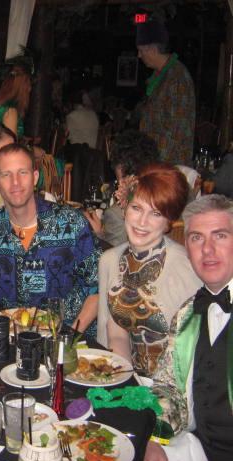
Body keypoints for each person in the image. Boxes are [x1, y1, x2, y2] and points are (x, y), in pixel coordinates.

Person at [142, 194, 233, 461]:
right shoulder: (188, 314)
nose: (207, 249)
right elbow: (168, 387)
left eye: (220, 235)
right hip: (200, 452)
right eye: (196, 238)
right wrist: (154, 439)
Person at [0, 144, 100, 336]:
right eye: (6, 175)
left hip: (69, 337)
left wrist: (69, 338)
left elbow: (98, 287)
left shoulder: (72, 224)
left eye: (22, 172)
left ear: (35, 177)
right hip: (10, 341)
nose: (15, 182)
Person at [98, 164, 201, 367]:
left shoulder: (188, 268)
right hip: (124, 378)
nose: (142, 222)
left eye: (155, 213)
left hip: (177, 382)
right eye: (136, 208)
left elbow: (193, 352)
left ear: (169, 221)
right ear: (124, 207)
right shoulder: (109, 261)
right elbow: (113, 336)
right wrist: (126, 380)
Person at [85, 130, 160, 247]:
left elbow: (114, 257)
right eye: (117, 179)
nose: (119, 186)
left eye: (122, 179)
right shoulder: (171, 198)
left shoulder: (116, 215)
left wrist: (98, 235)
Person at [137, 19, 195, 166]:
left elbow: (176, 131)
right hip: (155, 161)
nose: (139, 55)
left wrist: (153, 165)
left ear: (152, 49)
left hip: (169, 166)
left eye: (140, 50)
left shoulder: (177, 77)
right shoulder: (159, 76)